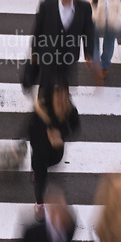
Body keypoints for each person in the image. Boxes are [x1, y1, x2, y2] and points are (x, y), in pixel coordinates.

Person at [31, 0, 94, 90]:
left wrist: (88, 52)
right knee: (45, 83)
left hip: (69, 55)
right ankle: (43, 101)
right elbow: (37, 30)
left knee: (64, 85)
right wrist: (34, 50)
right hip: (48, 53)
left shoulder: (84, 8)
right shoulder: (47, 6)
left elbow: (88, 30)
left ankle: (62, 103)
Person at [29, 86, 80, 221]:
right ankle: (40, 204)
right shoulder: (41, 112)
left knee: (43, 170)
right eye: (58, 95)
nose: (62, 99)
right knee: (40, 177)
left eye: (64, 96)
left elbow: (75, 128)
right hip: (41, 152)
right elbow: (30, 131)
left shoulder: (70, 110)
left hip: (55, 153)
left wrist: (60, 136)